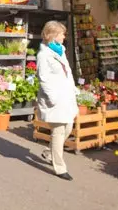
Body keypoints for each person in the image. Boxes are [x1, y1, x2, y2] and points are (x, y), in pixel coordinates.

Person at [36, 20, 78, 181]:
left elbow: (67, 72)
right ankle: (60, 168)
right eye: (62, 33)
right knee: (59, 131)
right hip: (54, 99)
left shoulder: (60, 50)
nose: (64, 36)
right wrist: (52, 98)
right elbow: (44, 78)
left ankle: (49, 152)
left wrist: (74, 89)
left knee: (68, 128)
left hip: (66, 97)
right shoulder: (43, 55)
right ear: (52, 35)